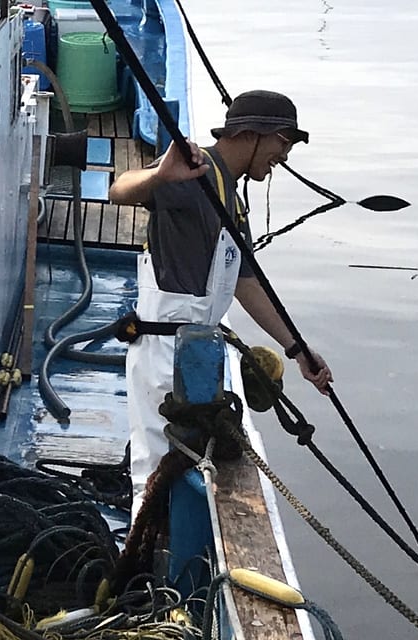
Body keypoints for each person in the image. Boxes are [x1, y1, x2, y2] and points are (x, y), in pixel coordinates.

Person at [109, 90, 333, 517]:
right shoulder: (192, 174)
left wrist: (298, 350)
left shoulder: (231, 195)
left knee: (189, 465)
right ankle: (138, 565)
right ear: (253, 134)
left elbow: (246, 283)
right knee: (155, 471)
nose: (283, 156)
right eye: (282, 143)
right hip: (163, 353)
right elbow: (119, 190)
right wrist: (160, 176)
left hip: (199, 352)